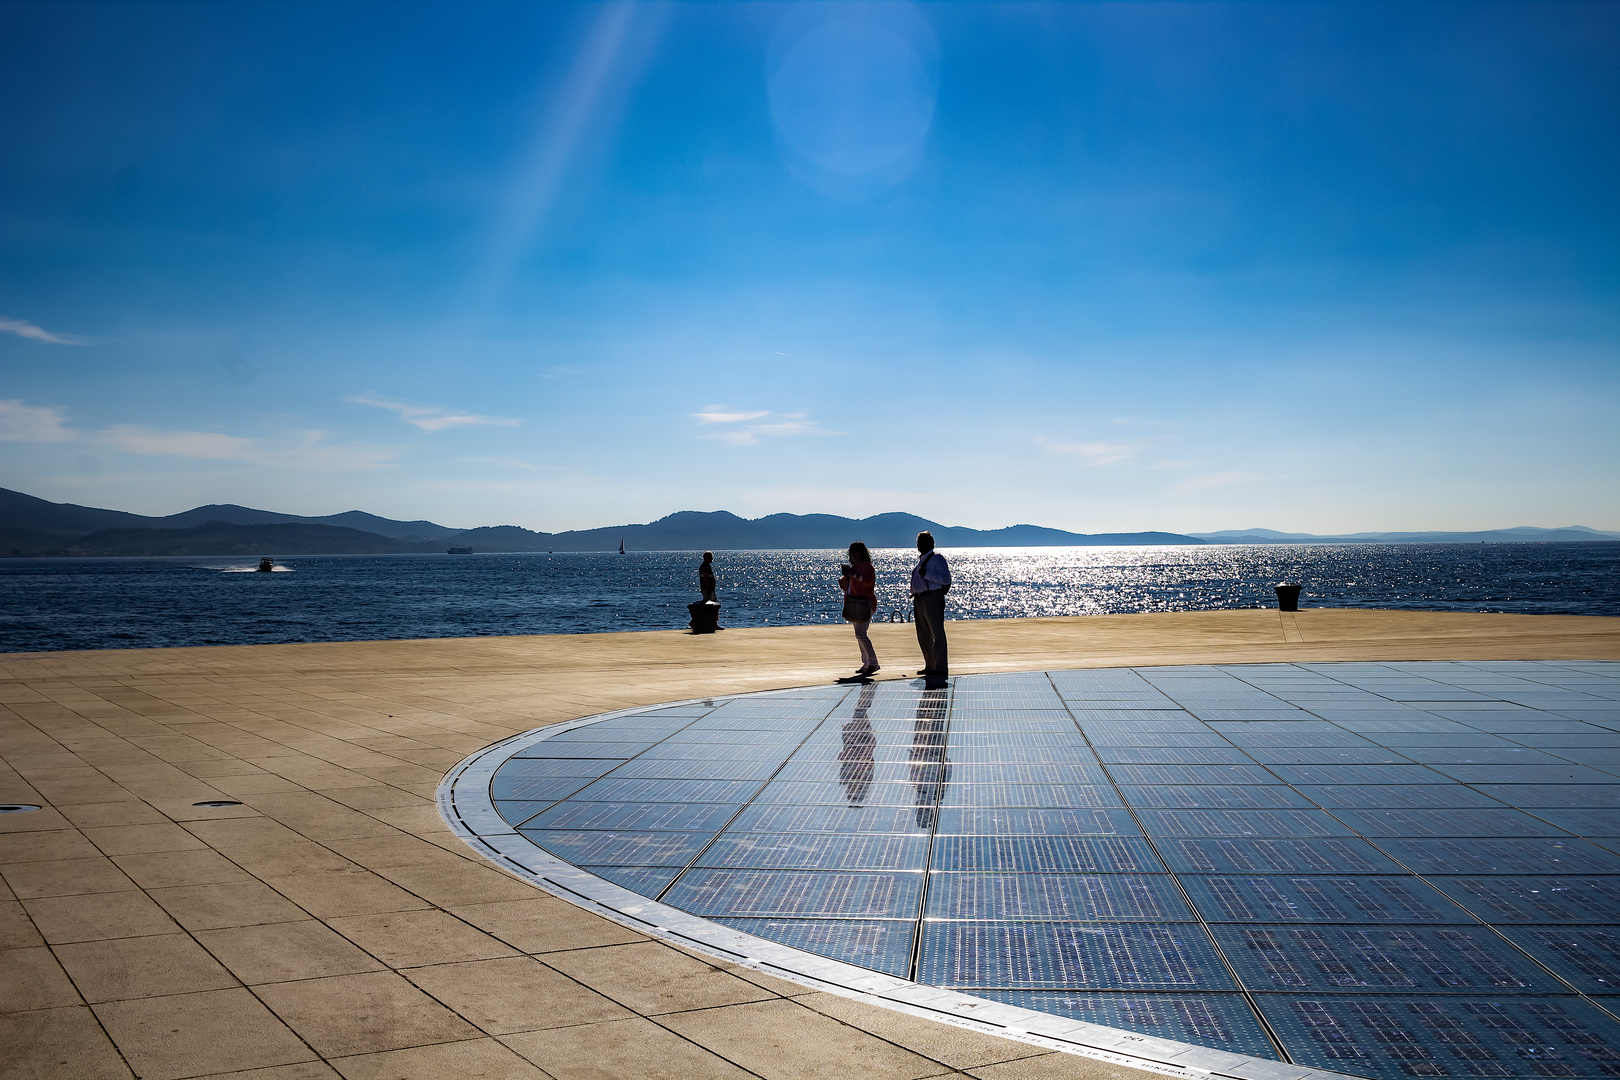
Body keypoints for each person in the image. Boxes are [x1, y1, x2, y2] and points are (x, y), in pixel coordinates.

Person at [910, 531, 950, 688]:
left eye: (921, 541)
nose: (919, 544)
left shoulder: (937, 559)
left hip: (932, 597)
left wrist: (926, 574)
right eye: (918, 541)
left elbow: (945, 579)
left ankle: (939, 667)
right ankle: (930, 665)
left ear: (930, 543)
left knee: (936, 633)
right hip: (920, 598)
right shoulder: (922, 560)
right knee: (924, 634)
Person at [838, 542, 880, 678]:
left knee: (861, 633)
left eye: (856, 552)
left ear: (862, 553)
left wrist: (852, 574)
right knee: (859, 634)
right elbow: (847, 584)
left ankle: (872, 663)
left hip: (864, 604)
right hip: (856, 604)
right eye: (852, 552)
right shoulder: (854, 567)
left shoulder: (866, 567)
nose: (854, 555)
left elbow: (867, 582)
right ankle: (867, 663)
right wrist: (844, 578)